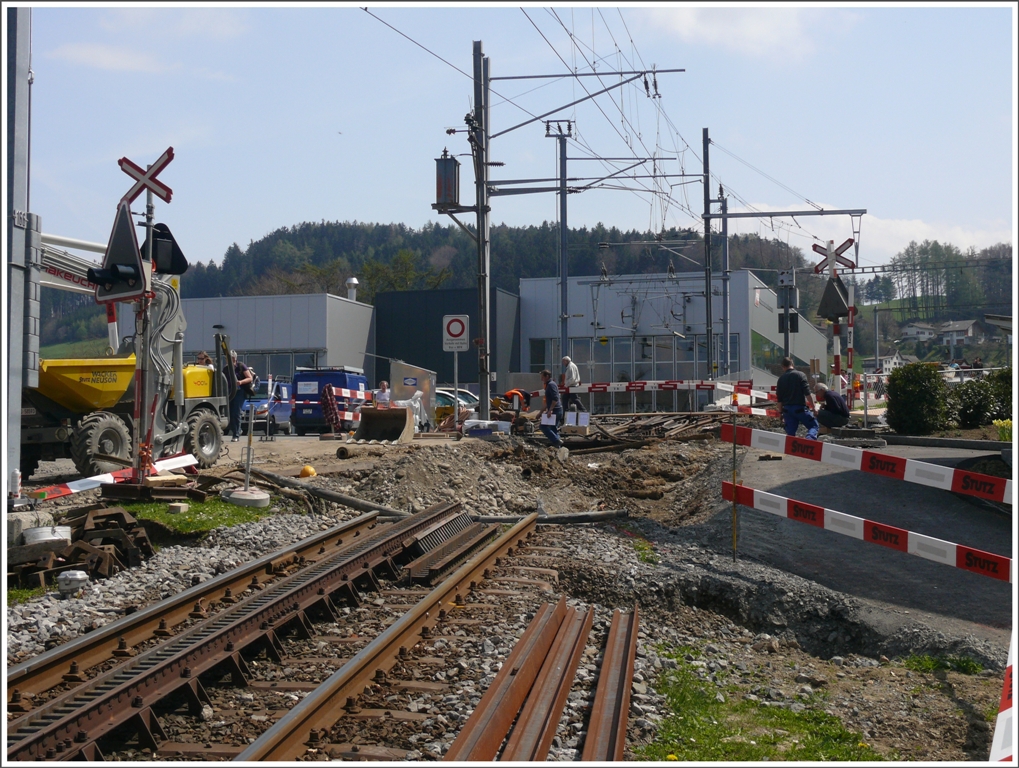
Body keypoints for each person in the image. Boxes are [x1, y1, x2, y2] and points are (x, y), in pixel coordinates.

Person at [776, 357, 818, 440]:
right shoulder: (800, 375)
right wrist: (814, 407)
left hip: (787, 410)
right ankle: (809, 440)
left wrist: (780, 413)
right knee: (813, 426)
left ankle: (791, 450)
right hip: (799, 409)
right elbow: (807, 393)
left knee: (790, 433)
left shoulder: (781, 379)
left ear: (783, 366)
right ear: (792, 364)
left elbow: (779, 399)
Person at [227, 350, 253, 442]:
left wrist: (240, 382)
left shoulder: (241, 366)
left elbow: (250, 378)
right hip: (229, 392)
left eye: (229, 357)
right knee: (229, 413)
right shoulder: (226, 368)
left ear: (234, 358)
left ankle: (236, 434)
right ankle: (237, 429)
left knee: (236, 412)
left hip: (240, 391)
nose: (227, 360)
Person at [538, 369, 565, 451]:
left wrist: (550, 410)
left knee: (542, 426)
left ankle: (556, 441)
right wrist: (540, 412)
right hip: (556, 410)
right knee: (553, 428)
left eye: (542, 377)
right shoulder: (548, 385)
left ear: (547, 376)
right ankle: (559, 448)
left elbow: (555, 398)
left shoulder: (551, 385)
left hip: (555, 411)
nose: (541, 378)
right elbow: (548, 401)